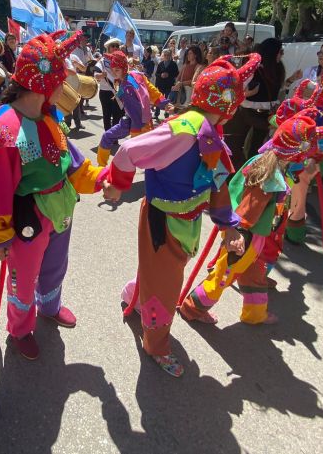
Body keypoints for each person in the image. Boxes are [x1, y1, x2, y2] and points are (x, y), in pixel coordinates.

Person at [106, 54, 261, 377]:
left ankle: (133, 298)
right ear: (227, 104)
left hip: (185, 221)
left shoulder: (210, 132)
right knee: (166, 287)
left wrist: (228, 226)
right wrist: (117, 185)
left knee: (160, 275)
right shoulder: (183, 129)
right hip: (162, 221)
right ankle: (156, 344)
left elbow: (217, 180)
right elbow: (129, 151)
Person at [0, 31, 112, 361]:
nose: (67, 81)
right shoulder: (3, 127)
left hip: (62, 207)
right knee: (23, 279)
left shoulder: (50, 114)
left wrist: (104, 179)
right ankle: (20, 328)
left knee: (55, 267)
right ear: (44, 80)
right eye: (61, 74)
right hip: (28, 217)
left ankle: (49, 307)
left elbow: (72, 162)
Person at [180, 108, 323, 328]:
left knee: (255, 277)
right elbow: (248, 211)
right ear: (297, 154)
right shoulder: (269, 176)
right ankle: (192, 308)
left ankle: (254, 314)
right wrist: (237, 235)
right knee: (222, 277)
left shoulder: (269, 160)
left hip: (257, 238)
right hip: (246, 239)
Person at [277, 71, 323, 245]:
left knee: (295, 199)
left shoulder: (320, 116)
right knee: (293, 198)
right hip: (306, 163)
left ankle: (294, 233)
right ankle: (288, 228)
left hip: (302, 163)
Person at [96, 51, 171, 165]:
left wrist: (135, 134)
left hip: (138, 124)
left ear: (124, 68)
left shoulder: (127, 87)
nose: (114, 72)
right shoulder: (136, 75)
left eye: (117, 70)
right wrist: (164, 103)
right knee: (108, 137)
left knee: (136, 157)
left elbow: (138, 109)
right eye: (113, 69)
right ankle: (102, 168)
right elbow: (151, 90)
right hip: (135, 120)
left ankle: (104, 168)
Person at [225, 38, 286, 169]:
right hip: (246, 114)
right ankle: (234, 177)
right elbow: (234, 91)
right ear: (272, 52)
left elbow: (276, 92)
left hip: (265, 116)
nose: (282, 54)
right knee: (235, 147)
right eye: (280, 51)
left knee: (256, 150)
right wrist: (247, 94)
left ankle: (248, 178)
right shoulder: (254, 69)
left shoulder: (278, 69)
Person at [95, 41, 125, 130]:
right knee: (107, 115)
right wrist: (101, 75)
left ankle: (114, 136)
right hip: (105, 92)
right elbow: (96, 75)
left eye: (117, 46)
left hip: (119, 91)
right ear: (108, 48)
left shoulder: (122, 60)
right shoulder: (103, 61)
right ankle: (108, 137)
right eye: (113, 46)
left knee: (118, 115)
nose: (115, 47)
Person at [153, 49, 179, 120]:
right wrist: (161, 75)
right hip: (161, 85)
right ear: (163, 56)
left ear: (170, 56)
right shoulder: (160, 64)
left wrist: (168, 75)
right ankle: (156, 114)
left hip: (169, 85)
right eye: (165, 55)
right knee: (159, 99)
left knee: (167, 100)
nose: (167, 56)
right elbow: (156, 74)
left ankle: (166, 114)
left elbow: (176, 73)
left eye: (168, 55)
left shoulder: (173, 64)